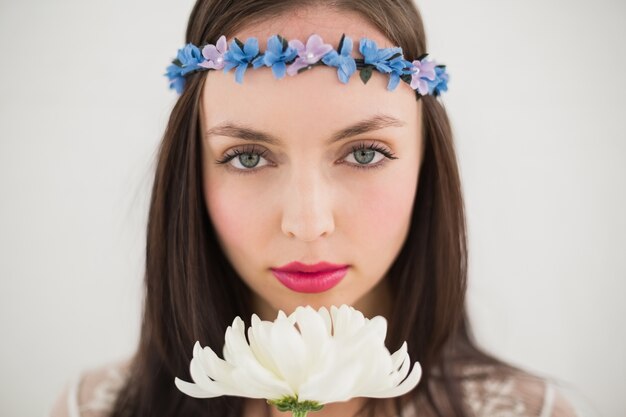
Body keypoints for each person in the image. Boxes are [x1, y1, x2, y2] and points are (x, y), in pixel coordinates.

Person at [49, 0, 581, 416]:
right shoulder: (95, 409)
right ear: (190, 174)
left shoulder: (534, 413)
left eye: (365, 153)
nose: (307, 225)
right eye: (248, 156)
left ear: (428, 166)